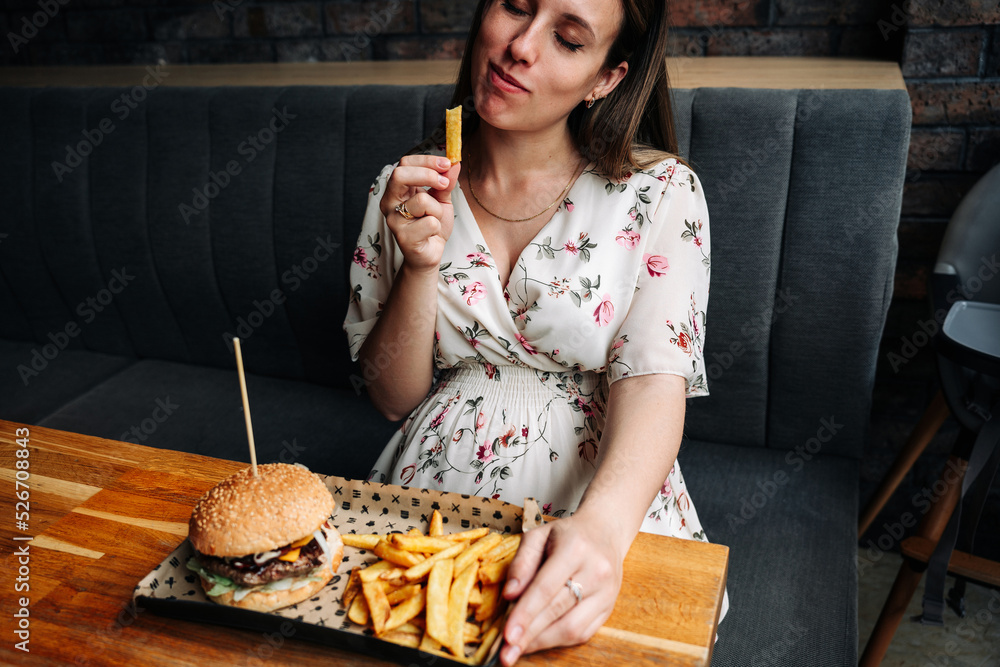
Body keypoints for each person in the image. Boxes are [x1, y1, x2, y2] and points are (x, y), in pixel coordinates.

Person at [344, 0, 727, 663]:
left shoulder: (662, 191)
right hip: (429, 498)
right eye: (516, 6)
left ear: (607, 78)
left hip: (605, 496)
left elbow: (653, 385)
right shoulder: (405, 187)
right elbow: (392, 398)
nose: (521, 45)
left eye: (568, 39)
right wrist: (420, 266)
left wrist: (601, 535)